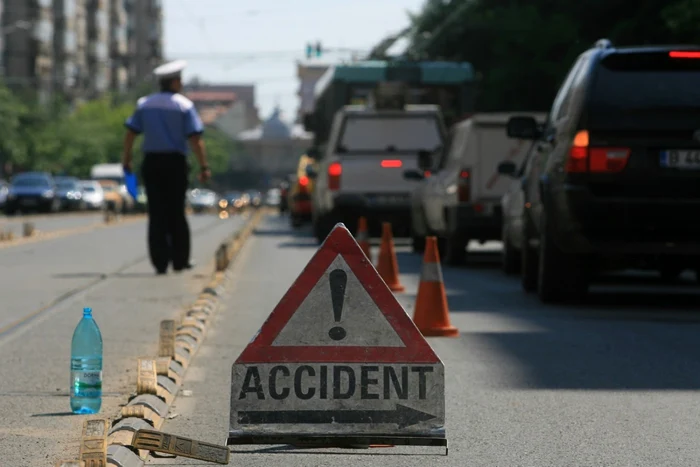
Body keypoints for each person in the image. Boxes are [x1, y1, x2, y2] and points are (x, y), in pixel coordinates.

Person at [121, 60, 212, 275]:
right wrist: (204, 166)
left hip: (152, 163)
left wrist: (127, 159)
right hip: (176, 164)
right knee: (176, 212)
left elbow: (131, 134)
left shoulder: (144, 104)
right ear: (174, 83)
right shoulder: (184, 105)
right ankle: (180, 260)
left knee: (156, 213)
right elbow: (195, 139)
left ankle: (160, 262)